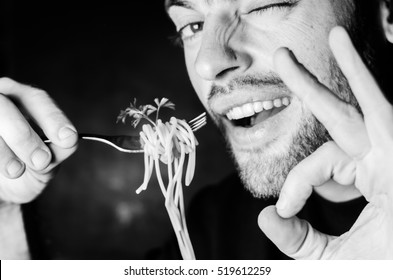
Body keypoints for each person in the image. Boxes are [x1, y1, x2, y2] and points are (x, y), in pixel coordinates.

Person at [1, 0, 393, 259]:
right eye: (191, 25)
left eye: (264, 3)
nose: (208, 63)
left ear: (386, 12)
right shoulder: (215, 230)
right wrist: (4, 219)